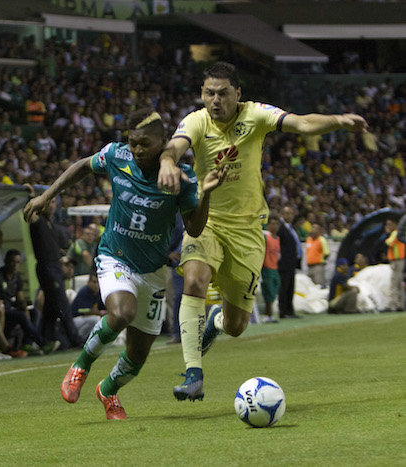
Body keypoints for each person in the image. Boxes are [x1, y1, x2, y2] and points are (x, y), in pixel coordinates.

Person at [156, 61, 368, 401]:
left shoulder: (255, 115)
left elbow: (301, 122)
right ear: (202, 94)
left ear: (237, 94)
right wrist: (167, 161)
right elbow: (175, 146)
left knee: (237, 325)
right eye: (209, 93)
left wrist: (338, 121)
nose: (215, 100)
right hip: (206, 220)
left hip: (248, 231)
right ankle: (193, 373)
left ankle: (216, 321)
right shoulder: (195, 121)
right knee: (194, 280)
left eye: (223, 93)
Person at [24, 107, 227, 420]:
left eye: (144, 143)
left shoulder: (179, 179)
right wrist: (47, 195)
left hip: (154, 271)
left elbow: (195, 229)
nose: (137, 149)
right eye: (133, 142)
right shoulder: (117, 157)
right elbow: (82, 165)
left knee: (137, 354)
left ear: (163, 142)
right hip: (115, 257)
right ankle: (81, 366)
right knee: (121, 313)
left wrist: (207, 195)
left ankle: (108, 390)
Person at [27, 194, 81, 349]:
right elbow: (30, 213)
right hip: (47, 266)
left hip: (55, 265)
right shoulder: (38, 220)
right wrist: (31, 197)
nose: (51, 205)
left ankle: (44, 339)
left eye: (53, 202)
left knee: (51, 306)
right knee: (62, 302)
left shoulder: (52, 223)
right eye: (48, 202)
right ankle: (75, 339)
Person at [277, 206, 302, 319]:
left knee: (290, 287)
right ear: (282, 214)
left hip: (291, 263)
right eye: (287, 213)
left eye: (291, 213)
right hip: (284, 263)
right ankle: (283, 311)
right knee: (284, 287)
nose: (290, 216)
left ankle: (290, 311)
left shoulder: (291, 228)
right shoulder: (280, 228)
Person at [164, 213, 185, 344]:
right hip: (179, 259)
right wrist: (167, 253)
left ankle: (195, 330)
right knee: (178, 296)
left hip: (197, 254)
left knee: (193, 295)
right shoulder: (174, 211)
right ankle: (177, 332)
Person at [69, 272, 105, 342]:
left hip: (85, 321)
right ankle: (79, 339)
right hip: (75, 320)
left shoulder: (99, 293)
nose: (96, 285)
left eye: (98, 282)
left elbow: (104, 309)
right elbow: (85, 311)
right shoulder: (84, 292)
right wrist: (101, 312)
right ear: (88, 282)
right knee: (95, 319)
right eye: (94, 282)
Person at [261, 215, 281, 323]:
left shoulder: (277, 238)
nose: (275, 226)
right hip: (267, 269)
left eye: (277, 224)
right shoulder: (265, 236)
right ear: (268, 225)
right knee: (268, 293)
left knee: (273, 293)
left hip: (275, 269)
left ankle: (269, 315)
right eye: (272, 224)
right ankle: (267, 315)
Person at [384, 218, 405, 312]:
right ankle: (400, 304)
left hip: (397, 261)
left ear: (395, 224)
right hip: (400, 260)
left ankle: (393, 305)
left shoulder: (396, 233)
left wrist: (388, 233)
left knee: (394, 282)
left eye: (389, 224)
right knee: (399, 283)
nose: (388, 226)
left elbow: (389, 242)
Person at [306, 223, 330, 287]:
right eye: (313, 227)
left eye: (316, 228)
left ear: (319, 230)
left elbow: (327, 253)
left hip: (318, 266)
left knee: (319, 285)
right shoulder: (308, 240)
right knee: (310, 286)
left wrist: (320, 260)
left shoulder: (322, 240)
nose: (313, 230)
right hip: (309, 266)